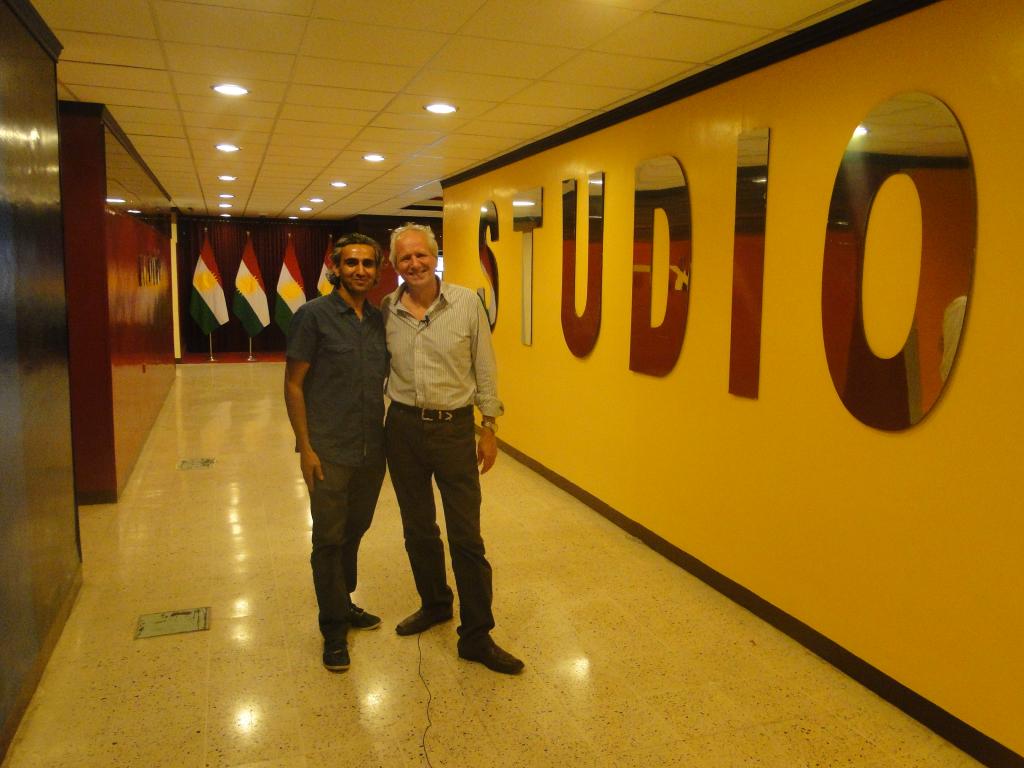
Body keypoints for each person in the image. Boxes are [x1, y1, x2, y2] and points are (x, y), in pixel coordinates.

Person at [382, 222, 524, 675]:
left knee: (466, 535)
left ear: (434, 255)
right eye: (405, 258)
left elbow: (485, 368)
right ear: (395, 264)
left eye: (421, 255)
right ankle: (435, 603)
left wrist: (489, 427)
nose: (415, 263)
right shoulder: (387, 309)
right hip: (402, 428)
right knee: (418, 528)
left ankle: (477, 635)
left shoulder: (466, 304)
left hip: (453, 430)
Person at [284, 233, 388, 672]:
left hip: (371, 450)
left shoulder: (379, 320)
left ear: (377, 271)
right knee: (328, 539)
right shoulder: (313, 316)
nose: (360, 270)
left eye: (368, 263)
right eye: (351, 263)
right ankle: (332, 629)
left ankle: (343, 602)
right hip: (328, 449)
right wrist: (305, 447)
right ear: (336, 268)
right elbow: (293, 385)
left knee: (355, 529)